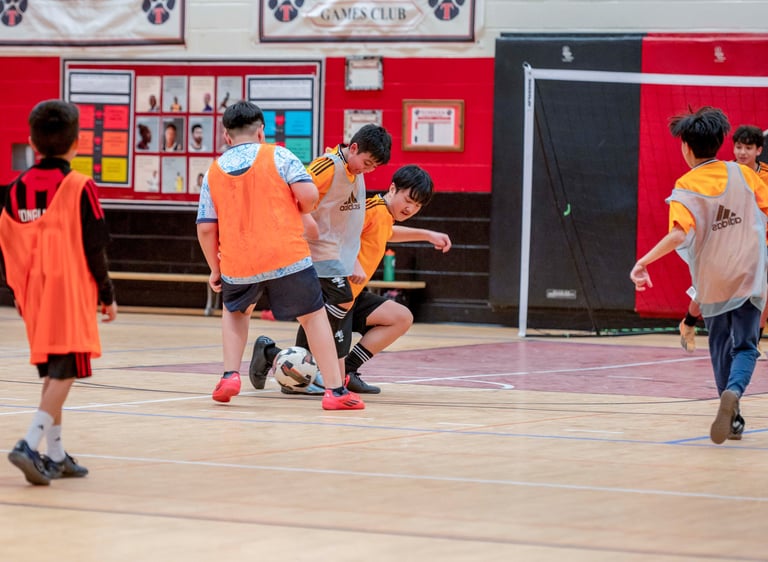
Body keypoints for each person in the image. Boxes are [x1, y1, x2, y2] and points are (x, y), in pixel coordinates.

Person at [196, 100, 364, 410]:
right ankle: (335, 392)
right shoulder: (281, 155)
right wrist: (299, 205)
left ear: (226, 136)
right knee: (314, 318)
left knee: (235, 313)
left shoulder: (213, 172)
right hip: (286, 254)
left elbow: (206, 228)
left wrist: (214, 268)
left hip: (238, 259)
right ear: (261, 131)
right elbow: (309, 196)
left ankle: (229, 375)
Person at [630, 106, 768, 444]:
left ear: (686, 148)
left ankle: (730, 410)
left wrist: (643, 262)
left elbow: (679, 234)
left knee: (720, 345)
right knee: (746, 346)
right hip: (750, 273)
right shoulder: (746, 175)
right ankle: (732, 394)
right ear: (721, 142)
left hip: (712, 279)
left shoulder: (685, 186)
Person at [251, 165, 451, 394]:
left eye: (417, 206)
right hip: (334, 296)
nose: (410, 208)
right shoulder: (370, 208)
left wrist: (427, 235)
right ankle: (269, 353)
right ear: (393, 188)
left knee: (400, 317)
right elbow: (340, 236)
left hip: (352, 296)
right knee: (306, 372)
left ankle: (348, 372)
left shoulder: (385, 216)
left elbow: (388, 233)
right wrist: (353, 263)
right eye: (408, 200)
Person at [0, 99, 118, 485]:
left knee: (55, 372)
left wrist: (21, 293)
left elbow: (9, 246)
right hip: (69, 292)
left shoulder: (15, 190)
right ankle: (29, 444)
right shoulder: (79, 186)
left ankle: (55, 453)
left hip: (33, 294)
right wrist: (107, 292)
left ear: (33, 142)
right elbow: (94, 244)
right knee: (65, 372)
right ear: (77, 143)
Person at [247, 123, 392, 396]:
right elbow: (291, 197)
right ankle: (330, 379)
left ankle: (279, 359)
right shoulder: (327, 167)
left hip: (335, 258)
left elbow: (348, 226)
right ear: (354, 148)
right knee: (338, 305)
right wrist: (303, 231)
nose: (368, 169)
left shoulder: (354, 172)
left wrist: (353, 259)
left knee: (321, 314)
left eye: (374, 167)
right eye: (367, 162)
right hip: (313, 253)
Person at [678, 124, 768, 355]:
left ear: (759, 150)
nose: (742, 152)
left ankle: (753, 341)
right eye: (738, 147)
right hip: (725, 241)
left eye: (748, 147)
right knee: (708, 287)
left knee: (762, 291)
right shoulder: (726, 172)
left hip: (757, 246)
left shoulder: (765, 176)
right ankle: (689, 322)